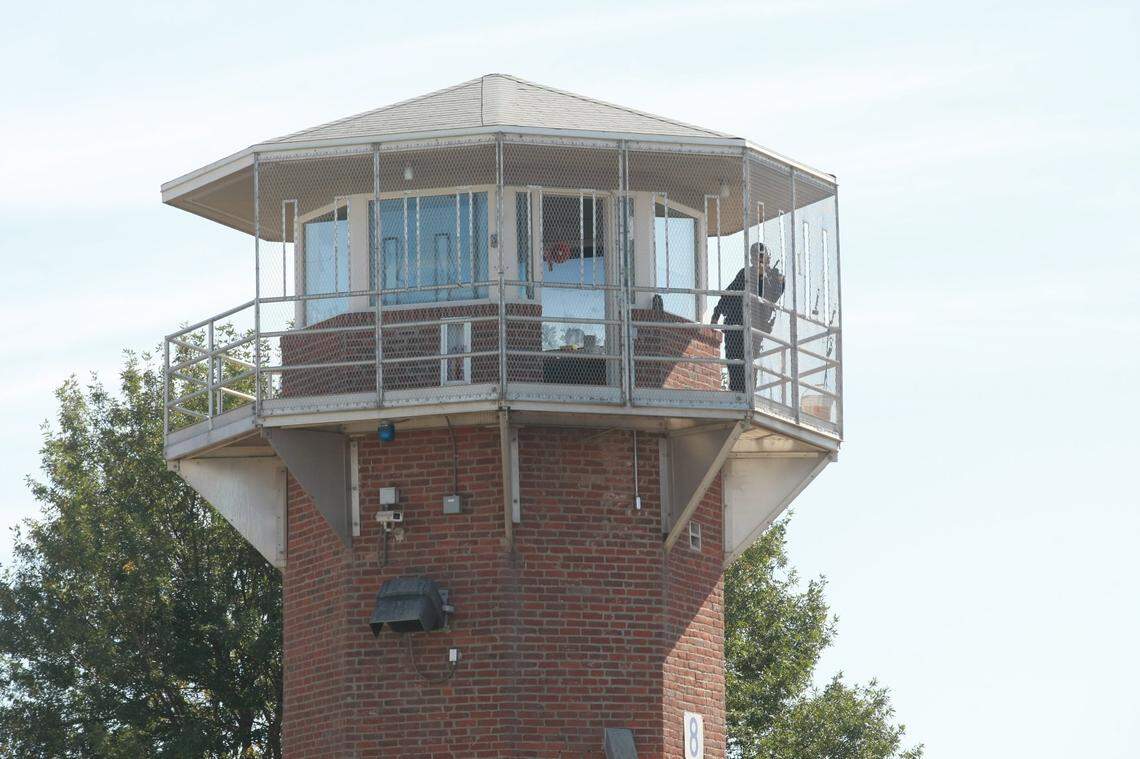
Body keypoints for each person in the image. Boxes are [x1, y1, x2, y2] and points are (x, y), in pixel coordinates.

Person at [712, 242, 786, 393]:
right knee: (734, 361)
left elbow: (774, 296)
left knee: (751, 363)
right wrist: (716, 314)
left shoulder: (771, 277)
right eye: (756, 257)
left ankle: (748, 393)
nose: (759, 260)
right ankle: (737, 392)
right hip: (736, 326)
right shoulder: (745, 273)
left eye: (761, 257)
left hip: (755, 329)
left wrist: (777, 281)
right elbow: (729, 294)